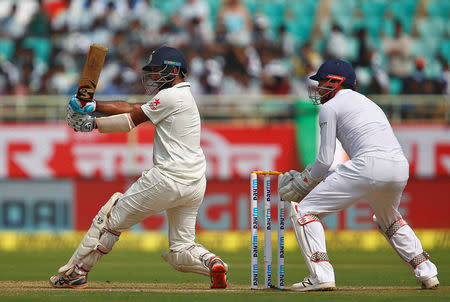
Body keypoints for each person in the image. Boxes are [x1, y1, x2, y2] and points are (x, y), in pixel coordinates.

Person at [49, 46, 228, 289]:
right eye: (152, 71)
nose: (154, 76)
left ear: (174, 70)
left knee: (111, 217)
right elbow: (134, 111)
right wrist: (93, 114)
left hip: (168, 178)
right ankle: (212, 263)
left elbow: (133, 115)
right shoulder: (183, 97)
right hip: (195, 183)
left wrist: (91, 116)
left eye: (158, 70)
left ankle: (77, 272)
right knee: (181, 248)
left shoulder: (172, 96)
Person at [278, 59, 439, 292]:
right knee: (389, 219)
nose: (319, 87)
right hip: (399, 166)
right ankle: (427, 271)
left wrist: (304, 184)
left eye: (322, 81)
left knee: (305, 211)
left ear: (335, 82)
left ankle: (321, 275)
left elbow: (324, 161)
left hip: (368, 165)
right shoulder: (369, 103)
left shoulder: (329, 107)